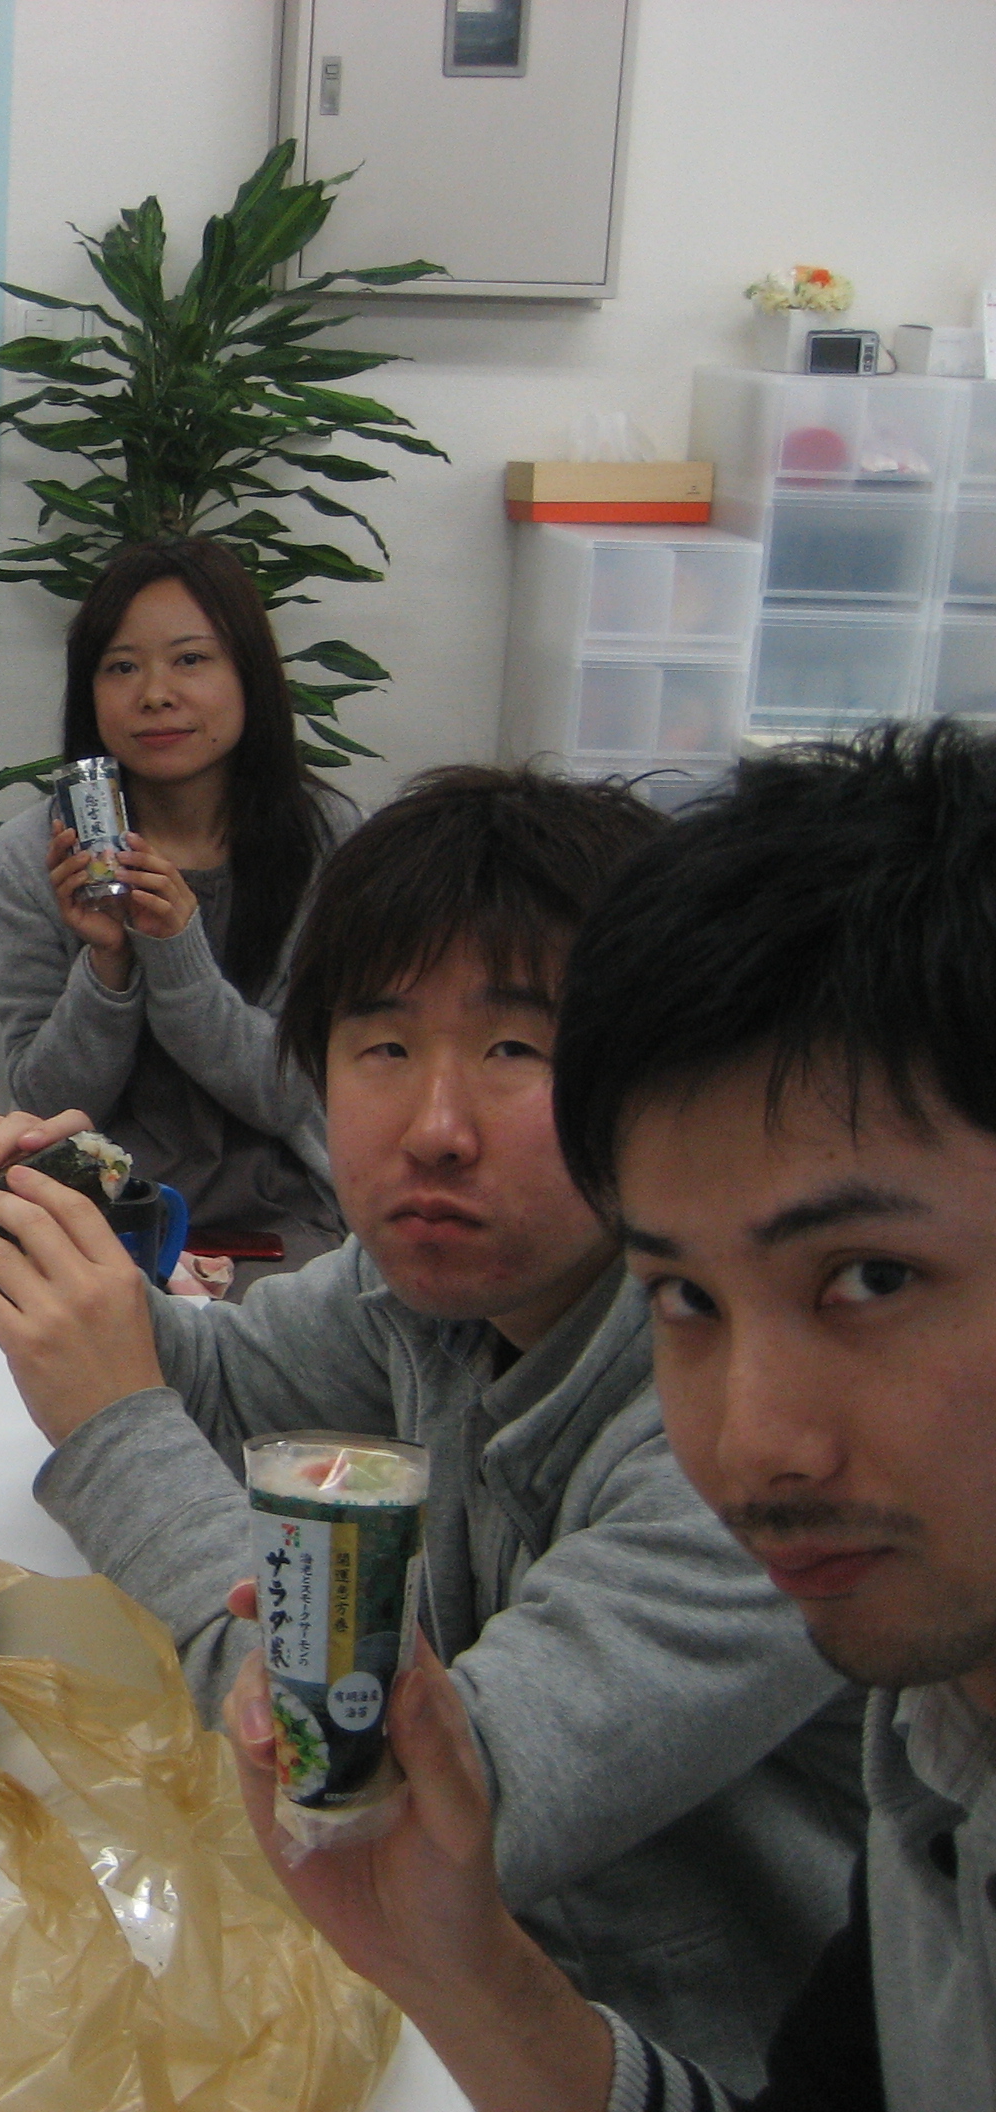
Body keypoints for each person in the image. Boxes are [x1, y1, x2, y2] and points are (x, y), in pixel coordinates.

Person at [0, 765, 864, 2091]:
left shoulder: (745, 1439)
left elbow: (372, 1807)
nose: (434, 1129)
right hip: (451, 1994)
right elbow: (231, 1389)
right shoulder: (435, 1285)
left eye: (514, 1050)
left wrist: (112, 1421)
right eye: (382, 1047)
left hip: (665, 2045)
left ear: (653, 1079)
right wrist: (76, 1244)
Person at [221, 723, 996, 2110]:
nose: (752, 1447)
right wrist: (460, 1967)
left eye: (868, 1280)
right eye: (684, 1297)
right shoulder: (939, 1730)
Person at [0, 538, 357, 1277]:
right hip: (97, 1216)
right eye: (121, 667)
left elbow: (296, 1093)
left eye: (190, 659)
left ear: (250, 674)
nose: (155, 694)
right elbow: (49, 1103)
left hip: (286, 1221)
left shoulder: (330, 844)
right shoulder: (34, 857)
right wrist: (108, 963)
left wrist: (178, 950)